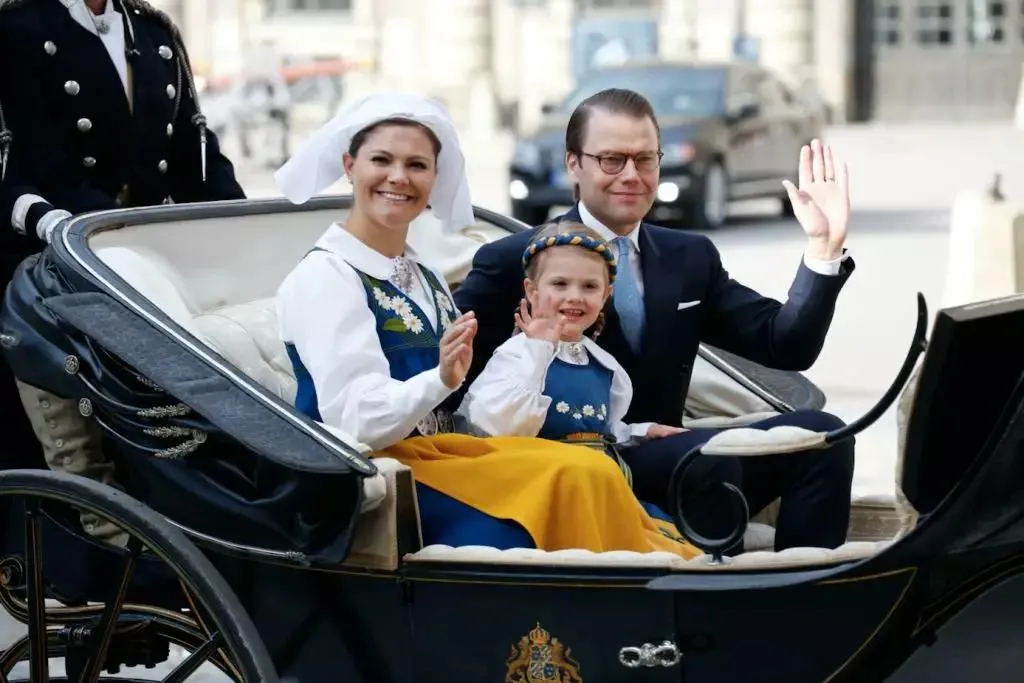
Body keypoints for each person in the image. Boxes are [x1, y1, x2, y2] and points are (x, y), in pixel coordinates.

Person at [274, 92, 697, 557]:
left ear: (434, 179)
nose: (398, 177)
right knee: (577, 477)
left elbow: (469, 413)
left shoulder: (423, 274)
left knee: (590, 468)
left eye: (417, 165)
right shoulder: (327, 275)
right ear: (350, 165)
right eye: (382, 160)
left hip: (442, 455)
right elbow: (355, 420)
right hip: (377, 474)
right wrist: (438, 380)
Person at [455, 88, 856, 551]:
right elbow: (459, 389)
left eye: (645, 160)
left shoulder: (688, 256)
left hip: (677, 457)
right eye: (611, 160)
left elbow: (786, 345)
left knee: (822, 436)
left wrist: (823, 249)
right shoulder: (512, 260)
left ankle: (803, 598)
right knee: (708, 461)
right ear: (573, 165)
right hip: (573, 476)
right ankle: (709, 590)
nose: (631, 176)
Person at [0, 0, 243, 499]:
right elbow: (24, 168)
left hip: (141, 269)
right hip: (43, 276)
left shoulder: (154, 32)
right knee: (65, 455)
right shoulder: (13, 29)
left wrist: (246, 226)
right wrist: (85, 231)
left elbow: (193, 160)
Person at [460, 221, 690, 527]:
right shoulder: (517, 354)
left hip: (600, 491)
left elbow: (598, 428)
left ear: (607, 293)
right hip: (543, 492)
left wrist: (638, 432)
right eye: (560, 284)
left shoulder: (601, 362)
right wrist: (539, 349)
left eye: (589, 287)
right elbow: (497, 425)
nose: (575, 297)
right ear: (532, 290)